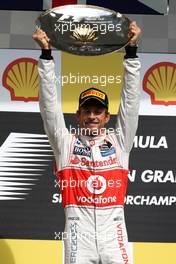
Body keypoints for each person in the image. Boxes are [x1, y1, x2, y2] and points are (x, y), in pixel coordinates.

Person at [33, 21, 141, 264]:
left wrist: (132, 52)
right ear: (78, 116)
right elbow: (49, 107)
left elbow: (130, 104)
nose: (92, 116)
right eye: (87, 110)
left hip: (114, 233)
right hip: (76, 233)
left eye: (98, 111)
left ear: (106, 117)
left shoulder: (120, 142)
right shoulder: (65, 144)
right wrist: (46, 56)